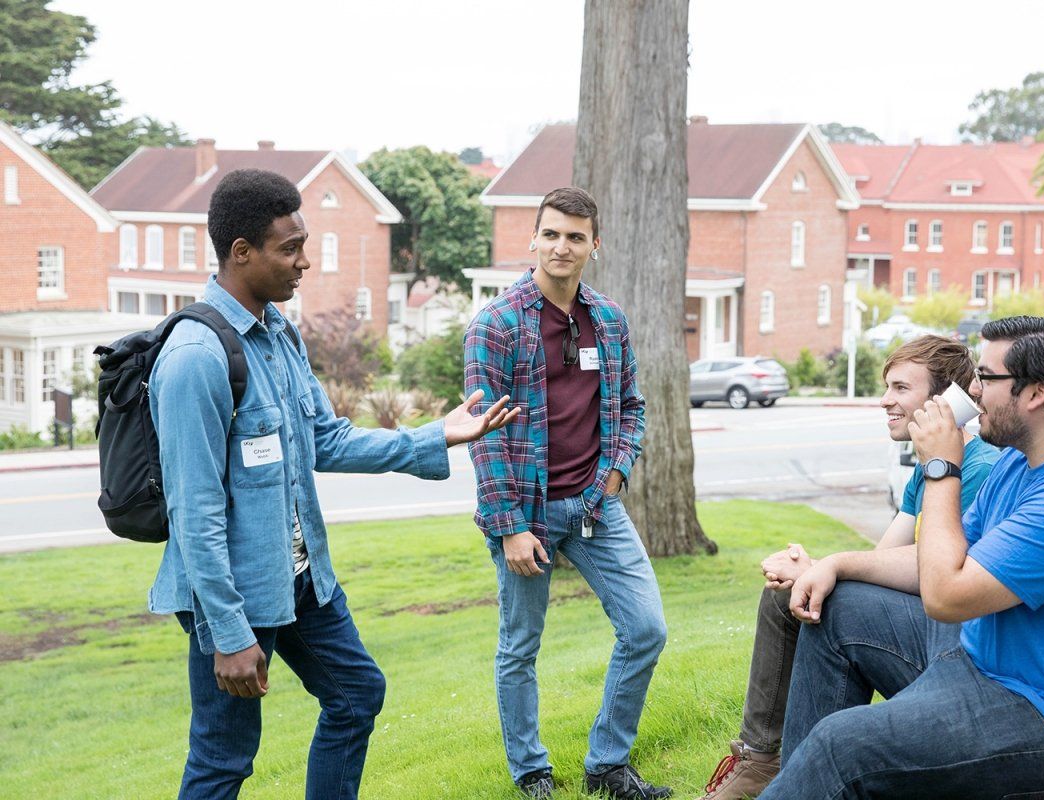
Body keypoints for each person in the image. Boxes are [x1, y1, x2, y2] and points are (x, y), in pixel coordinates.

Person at [147, 168, 518, 800]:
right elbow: (194, 511)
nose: (305, 262)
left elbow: (326, 438)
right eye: (289, 248)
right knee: (223, 758)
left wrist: (435, 437)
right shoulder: (197, 358)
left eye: (303, 244)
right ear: (241, 253)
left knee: (355, 693)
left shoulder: (279, 334)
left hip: (300, 578)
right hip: (233, 591)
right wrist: (231, 635)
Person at [759, 316, 1044, 800]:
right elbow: (941, 559)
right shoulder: (1022, 460)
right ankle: (803, 784)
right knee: (837, 607)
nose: (972, 388)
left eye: (988, 378)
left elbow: (945, 596)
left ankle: (816, 777)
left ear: (1036, 394)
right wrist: (835, 565)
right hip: (993, 663)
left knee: (842, 745)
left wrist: (941, 467)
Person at [698, 336, 999, 800]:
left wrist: (833, 568)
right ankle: (761, 761)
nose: (885, 400)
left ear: (946, 402)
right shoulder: (927, 467)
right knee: (788, 595)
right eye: (887, 388)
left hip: (955, 651)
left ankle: (801, 780)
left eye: (900, 388)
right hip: (920, 620)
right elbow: (885, 557)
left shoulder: (976, 467)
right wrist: (815, 568)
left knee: (830, 603)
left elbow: (944, 573)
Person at [464, 187, 671, 799]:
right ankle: (531, 772)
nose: (562, 246)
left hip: (594, 505)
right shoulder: (495, 325)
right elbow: (485, 438)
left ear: (594, 246)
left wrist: (613, 475)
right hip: (524, 514)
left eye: (575, 237)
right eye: (551, 234)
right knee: (520, 647)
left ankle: (608, 764)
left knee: (646, 629)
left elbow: (630, 405)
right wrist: (509, 528)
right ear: (533, 239)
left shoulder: (607, 320)